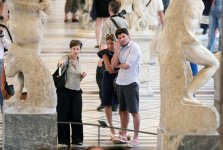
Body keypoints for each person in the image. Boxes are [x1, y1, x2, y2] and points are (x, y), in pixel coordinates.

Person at [111, 28, 141, 148]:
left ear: (129, 36)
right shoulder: (120, 48)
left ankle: (135, 138)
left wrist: (117, 66)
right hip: (120, 83)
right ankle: (123, 134)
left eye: (123, 36)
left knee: (134, 111)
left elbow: (127, 65)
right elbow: (113, 64)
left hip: (131, 83)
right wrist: (116, 50)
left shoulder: (135, 48)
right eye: (119, 38)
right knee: (123, 111)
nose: (121, 39)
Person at [57, 40, 87, 148]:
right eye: (74, 48)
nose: (76, 51)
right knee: (63, 116)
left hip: (76, 92)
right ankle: (63, 141)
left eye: (78, 49)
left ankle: (77, 141)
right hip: (64, 91)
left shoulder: (80, 61)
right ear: (70, 49)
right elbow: (61, 62)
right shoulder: (66, 58)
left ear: (80, 50)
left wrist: (82, 76)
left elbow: (78, 78)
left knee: (77, 116)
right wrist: (60, 63)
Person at [97, 34, 119, 142]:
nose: (110, 45)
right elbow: (110, 70)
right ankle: (112, 130)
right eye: (108, 43)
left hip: (121, 79)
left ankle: (123, 131)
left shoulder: (121, 51)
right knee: (108, 103)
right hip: (109, 80)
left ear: (116, 43)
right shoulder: (105, 53)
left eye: (112, 43)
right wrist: (123, 68)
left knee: (122, 104)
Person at [145, 0, 164, 65]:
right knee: (154, 42)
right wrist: (164, 25)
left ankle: (148, 59)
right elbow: (160, 13)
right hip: (155, 23)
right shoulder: (158, 1)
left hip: (146, 22)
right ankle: (151, 59)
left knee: (149, 42)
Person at [0, 27, 11, 112]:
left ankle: (4, 115)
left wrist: (2, 36)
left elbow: (10, 46)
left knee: (2, 90)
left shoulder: (3, 29)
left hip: (0, 62)